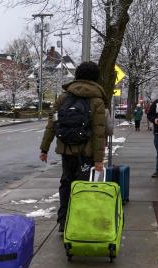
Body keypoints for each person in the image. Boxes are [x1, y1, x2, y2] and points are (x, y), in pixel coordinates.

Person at [40, 61, 107, 232]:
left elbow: (52, 124)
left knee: (66, 183)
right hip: (87, 153)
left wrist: (44, 148)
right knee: (83, 187)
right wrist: (99, 160)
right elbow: (99, 133)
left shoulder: (62, 98)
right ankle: (79, 221)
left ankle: (63, 222)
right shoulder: (97, 101)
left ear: (77, 75)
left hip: (66, 150)